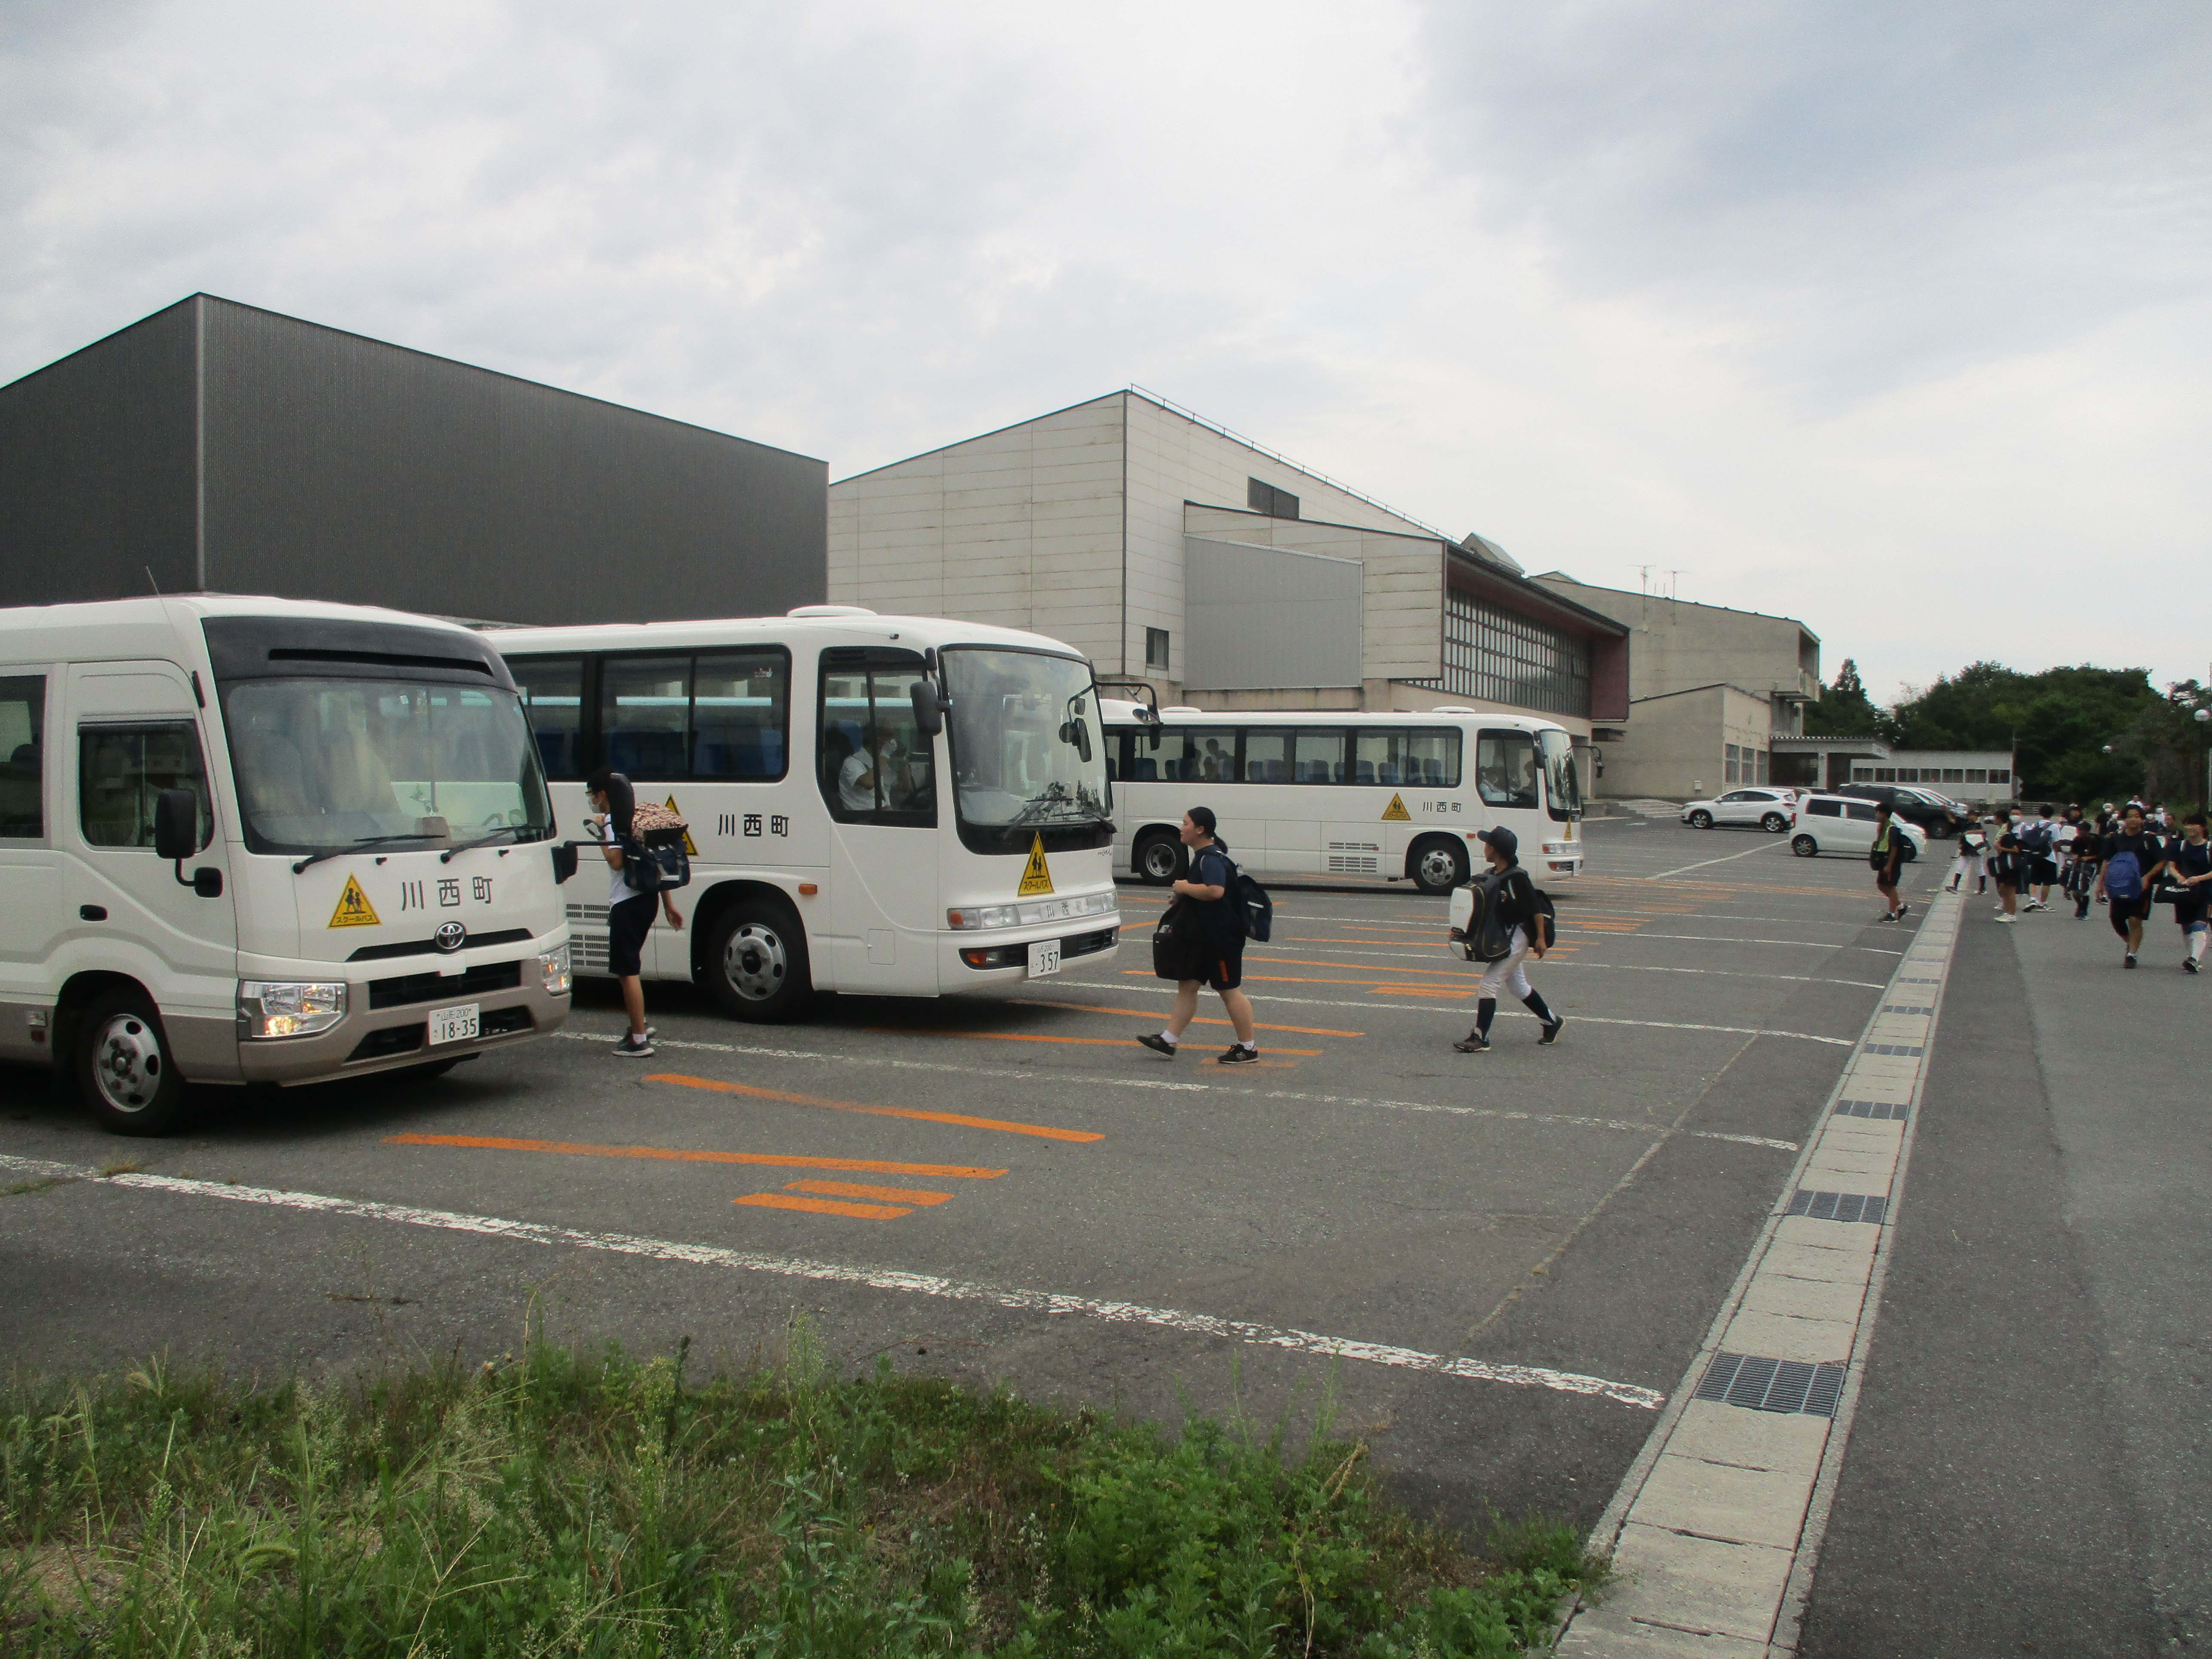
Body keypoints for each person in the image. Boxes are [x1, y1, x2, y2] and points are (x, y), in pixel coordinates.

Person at [1136, 807, 1259, 1063]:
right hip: (1205, 939)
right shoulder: (1205, 857)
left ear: (1200, 830)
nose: (1181, 828)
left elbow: (1215, 891)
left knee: (1230, 991)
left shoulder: (1210, 859)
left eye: (1186, 824)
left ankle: (1248, 1048)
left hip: (1221, 940)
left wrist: (1184, 887)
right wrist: (1184, 895)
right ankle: (1169, 1040)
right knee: (1188, 986)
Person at [587, 768, 684, 1056]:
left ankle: (639, 1040)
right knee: (629, 966)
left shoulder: (612, 821)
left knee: (627, 971)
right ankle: (639, 1023)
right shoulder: (636, 818)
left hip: (626, 903)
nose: (591, 800)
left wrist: (600, 833)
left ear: (602, 795)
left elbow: (615, 861)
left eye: (591, 794)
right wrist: (668, 906)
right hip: (648, 900)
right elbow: (655, 863)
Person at [1452, 825, 1564, 1051]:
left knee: (1489, 984)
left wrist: (1541, 940)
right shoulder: (1492, 874)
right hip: (1505, 934)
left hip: (1519, 935)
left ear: (1495, 849)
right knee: (1518, 986)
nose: (1485, 848)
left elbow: (1536, 910)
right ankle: (1552, 1022)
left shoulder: (1517, 878)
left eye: (1487, 844)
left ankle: (1480, 1037)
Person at [2095, 803, 2169, 969]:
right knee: (2117, 919)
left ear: (2142, 819)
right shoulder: (2115, 839)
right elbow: (2107, 862)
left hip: (2141, 887)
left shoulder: (2149, 839)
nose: (2133, 820)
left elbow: (2162, 861)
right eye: (2130, 817)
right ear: (2124, 820)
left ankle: (2132, 955)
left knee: (2135, 919)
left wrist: (2148, 877)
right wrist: (2101, 884)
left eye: (2137, 816)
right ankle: (2130, 940)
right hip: (2118, 886)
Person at [2168, 812, 2211, 973]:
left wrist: (2199, 878)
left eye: (2193, 824)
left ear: (2203, 827)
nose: (2189, 828)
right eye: (2187, 824)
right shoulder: (2179, 846)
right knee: (2186, 925)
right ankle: (2192, 956)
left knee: (2200, 924)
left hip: (2206, 892)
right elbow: (2171, 866)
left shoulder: (2209, 847)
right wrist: (2179, 877)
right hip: (2184, 892)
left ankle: (2194, 958)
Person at [1871, 800, 1910, 922]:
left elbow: (1894, 848)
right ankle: (1900, 907)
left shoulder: (1892, 828)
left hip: (1891, 861)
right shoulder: (1884, 827)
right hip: (1883, 859)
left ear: (1884, 813)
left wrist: (1889, 865)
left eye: (1878, 813)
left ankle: (1892, 915)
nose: (1877, 815)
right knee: (1881, 885)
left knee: (1891, 887)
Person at [2021, 804, 2058, 912]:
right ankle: (2042, 903)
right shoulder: (2054, 827)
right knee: (2047, 882)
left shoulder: (2034, 825)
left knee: (2034, 879)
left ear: (2040, 813)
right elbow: (2057, 843)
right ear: (2052, 814)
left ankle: (2033, 899)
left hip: (2035, 855)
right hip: (2049, 857)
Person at [2064, 824, 2103, 919]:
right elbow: (2073, 852)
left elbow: (2101, 855)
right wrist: (2076, 856)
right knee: (2075, 889)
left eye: (2081, 831)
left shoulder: (2096, 840)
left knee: (2084, 888)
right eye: (2078, 831)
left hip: (2092, 865)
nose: (2079, 833)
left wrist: (2089, 858)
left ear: (2087, 831)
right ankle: (2080, 905)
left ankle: (2084, 910)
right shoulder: (2077, 840)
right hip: (2079, 864)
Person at [1990, 817, 2023, 923]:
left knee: (2010, 890)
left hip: (2011, 866)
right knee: (2004, 889)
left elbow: (2015, 850)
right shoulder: (2005, 836)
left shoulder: (2009, 836)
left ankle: (2011, 914)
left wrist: (2000, 848)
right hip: (2007, 866)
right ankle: (2007, 911)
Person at [1945, 814, 1987, 894]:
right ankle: (1982, 888)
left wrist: (1969, 832)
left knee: (1976, 867)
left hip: (1973, 849)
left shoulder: (1976, 825)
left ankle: (1982, 888)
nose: (1972, 817)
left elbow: (1982, 831)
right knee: (1964, 866)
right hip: (1971, 849)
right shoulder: (1967, 824)